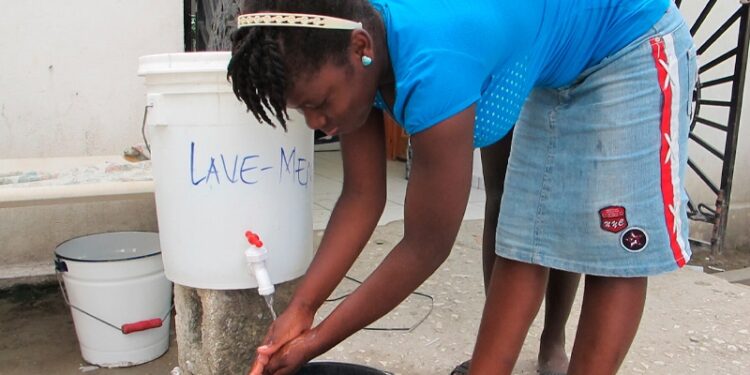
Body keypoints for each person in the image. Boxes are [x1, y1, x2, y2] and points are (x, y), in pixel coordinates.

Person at [227, 0, 696, 374]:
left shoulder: (434, 65)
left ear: (359, 47)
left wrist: (315, 341)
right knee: (522, 244)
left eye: (319, 104)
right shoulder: (355, 48)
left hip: (628, 43)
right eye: (304, 113)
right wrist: (301, 309)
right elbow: (362, 197)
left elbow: (426, 245)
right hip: (559, 65)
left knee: (613, 252)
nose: (318, 123)